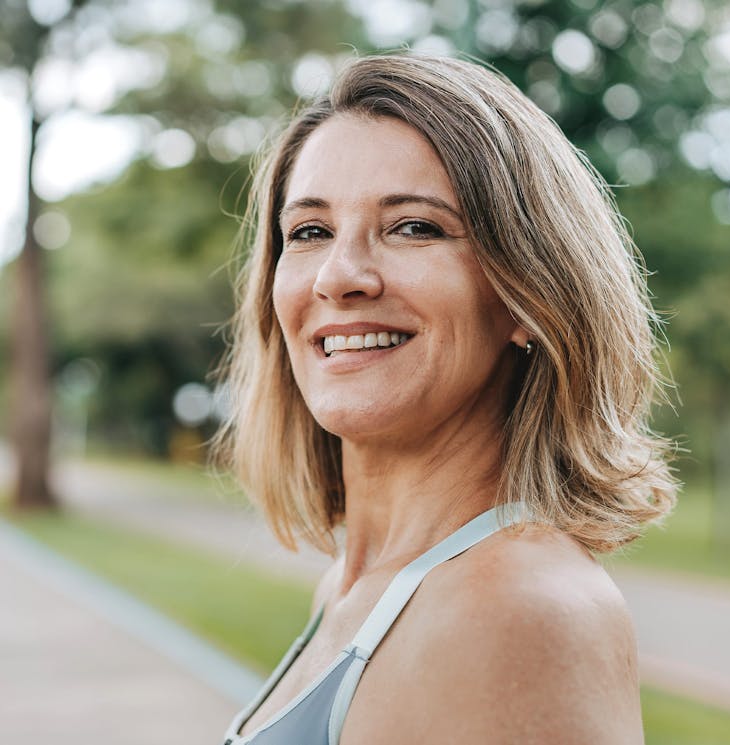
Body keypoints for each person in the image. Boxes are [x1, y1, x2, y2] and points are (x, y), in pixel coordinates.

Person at [216, 52, 676, 745]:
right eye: (310, 231)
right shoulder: (351, 585)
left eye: (414, 226)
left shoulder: (519, 608)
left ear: (527, 294)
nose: (340, 277)